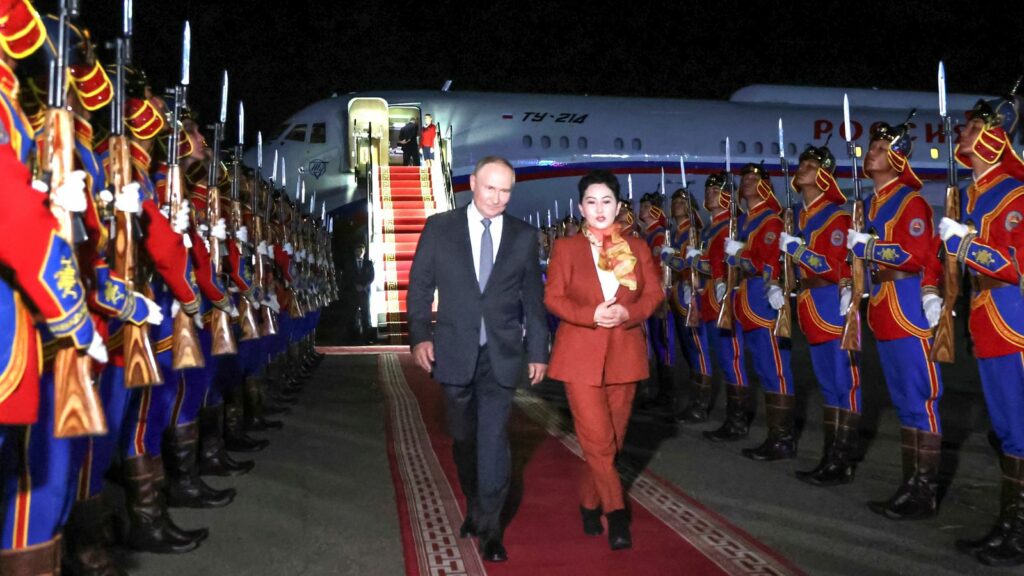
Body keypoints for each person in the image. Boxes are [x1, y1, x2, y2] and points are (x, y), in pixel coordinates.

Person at [407, 155, 549, 563]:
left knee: (494, 440)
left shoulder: (523, 236)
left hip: (501, 356)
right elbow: (420, 287)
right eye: (491, 188)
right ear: (472, 183)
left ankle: (490, 526)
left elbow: (532, 301)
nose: (498, 198)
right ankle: (473, 500)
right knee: (464, 438)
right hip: (452, 352)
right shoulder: (440, 228)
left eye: (506, 191)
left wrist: (537, 351)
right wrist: (419, 337)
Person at [545, 170, 664, 551]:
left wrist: (628, 315)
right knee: (596, 440)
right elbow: (554, 298)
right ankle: (617, 515)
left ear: (618, 206)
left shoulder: (637, 248)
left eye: (606, 201)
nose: (599, 209)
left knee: (611, 442)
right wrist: (591, 315)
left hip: (625, 356)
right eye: (591, 202)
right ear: (581, 207)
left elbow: (654, 295)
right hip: (579, 356)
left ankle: (588, 501)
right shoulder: (566, 248)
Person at [940, 93, 1024, 567]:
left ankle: (1017, 530)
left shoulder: (1014, 193)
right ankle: (1010, 525)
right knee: (1008, 431)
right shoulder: (971, 192)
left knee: (1019, 429)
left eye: (973, 128)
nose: (963, 135)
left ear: (995, 137)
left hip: (1013, 321)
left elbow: (1017, 265)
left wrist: (965, 244)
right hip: (986, 318)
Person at [847, 119, 944, 520]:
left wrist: (871, 247)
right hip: (884, 308)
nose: (871, 152)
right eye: (871, 146)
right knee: (904, 403)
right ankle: (911, 485)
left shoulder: (910, 201)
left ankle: (925, 491)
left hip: (907, 305)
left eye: (880, 148)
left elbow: (916, 255)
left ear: (897, 159)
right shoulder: (870, 204)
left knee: (921, 399)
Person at [780, 143, 862, 487]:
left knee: (843, 384)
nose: (802, 169)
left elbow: (833, 266)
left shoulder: (837, 215)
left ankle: (841, 461)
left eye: (810, 165)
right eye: (801, 164)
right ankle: (830, 457)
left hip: (830, 302)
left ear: (825, 175)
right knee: (828, 386)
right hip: (811, 305)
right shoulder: (799, 214)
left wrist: (799, 251)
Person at [727, 163, 796, 461]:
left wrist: (739, 253)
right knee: (762, 368)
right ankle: (774, 435)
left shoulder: (770, 220)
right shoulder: (744, 221)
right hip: (746, 299)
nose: (747, 183)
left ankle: (782, 439)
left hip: (765, 299)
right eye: (745, 179)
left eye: (754, 179)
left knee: (775, 369)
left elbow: (764, 263)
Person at [661, 188, 714, 423]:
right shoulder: (677, 233)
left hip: (691, 293)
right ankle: (694, 400)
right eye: (674, 201)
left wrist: (672, 259)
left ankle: (701, 405)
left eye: (682, 202)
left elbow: (699, 263)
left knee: (698, 349)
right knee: (688, 349)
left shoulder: (695, 233)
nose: (676, 205)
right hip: (679, 293)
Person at [346, 241, 375, 342]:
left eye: (361, 251)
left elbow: (371, 277)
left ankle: (366, 338)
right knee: (352, 315)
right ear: (355, 251)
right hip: (353, 292)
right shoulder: (350, 263)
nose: (360, 252)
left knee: (365, 315)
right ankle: (352, 338)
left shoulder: (368, 263)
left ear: (364, 252)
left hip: (365, 292)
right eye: (358, 250)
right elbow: (348, 276)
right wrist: (355, 286)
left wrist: (364, 286)